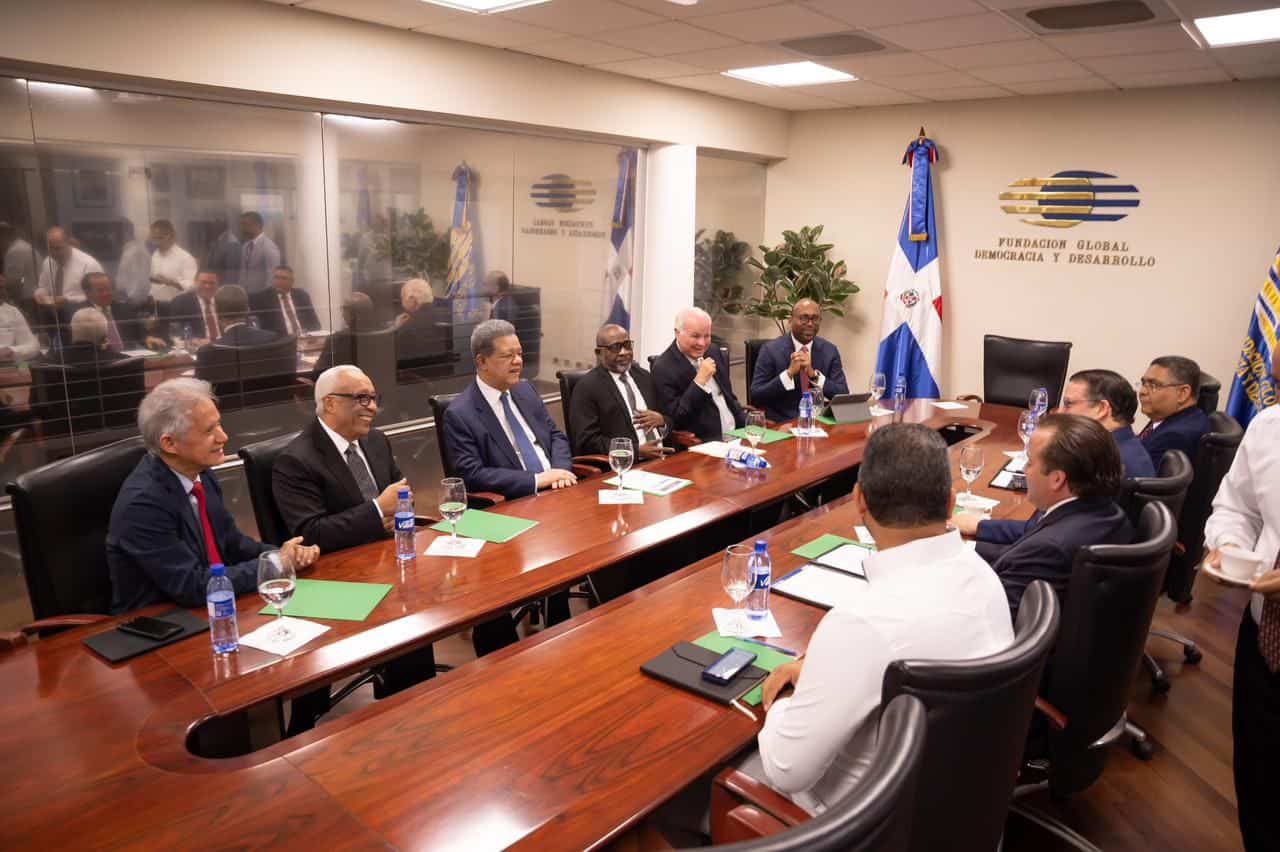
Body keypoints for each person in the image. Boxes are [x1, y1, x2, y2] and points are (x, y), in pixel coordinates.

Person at [740, 424, 1013, 816]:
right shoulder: (985, 576)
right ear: (952, 503)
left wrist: (787, 697)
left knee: (683, 796)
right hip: (960, 806)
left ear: (859, 500)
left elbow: (785, 770)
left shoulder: (861, 623)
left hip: (865, 825)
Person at [272, 365, 436, 702]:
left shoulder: (375, 440)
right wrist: (377, 511)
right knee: (404, 613)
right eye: (361, 398)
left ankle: (416, 702)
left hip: (388, 560)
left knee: (421, 609)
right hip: (336, 578)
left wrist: (391, 509)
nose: (373, 407)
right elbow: (312, 532)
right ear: (330, 404)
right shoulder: (296, 460)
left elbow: (401, 498)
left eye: (374, 398)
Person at [106, 377, 319, 614]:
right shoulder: (143, 505)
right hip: (163, 624)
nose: (223, 437)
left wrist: (281, 556)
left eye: (219, 424)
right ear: (169, 443)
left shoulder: (201, 474)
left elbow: (232, 543)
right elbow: (192, 586)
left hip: (212, 606)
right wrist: (278, 563)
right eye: (209, 430)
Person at [441, 318, 575, 655]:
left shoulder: (525, 391)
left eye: (519, 353)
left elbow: (555, 436)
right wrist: (535, 481)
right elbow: (470, 474)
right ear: (481, 362)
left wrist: (559, 471)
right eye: (507, 356)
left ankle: (572, 630)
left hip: (559, 494)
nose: (518, 361)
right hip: (508, 508)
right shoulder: (460, 413)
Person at [954, 413, 1133, 619]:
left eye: (1030, 462)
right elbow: (1028, 538)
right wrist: (967, 544)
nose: (1024, 469)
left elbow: (991, 619)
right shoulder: (1102, 510)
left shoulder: (1051, 548)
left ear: (1057, 479)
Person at [1203, 401, 1280, 851]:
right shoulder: (1269, 425)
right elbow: (1239, 507)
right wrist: (1228, 545)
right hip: (1264, 638)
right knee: (1260, 782)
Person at [568, 323, 671, 459]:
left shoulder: (644, 376)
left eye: (627, 345)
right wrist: (634, 451)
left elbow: (669, 416)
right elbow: (586, 440)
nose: (624, 352)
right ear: (599, 353)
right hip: (622, 465)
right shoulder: (586, 388)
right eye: (615, 347)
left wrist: (662, 421)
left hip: (662, 458)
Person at [651, 306, 744, 442]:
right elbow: (675, 418)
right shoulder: (663, 368)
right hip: (704, 443)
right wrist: (699, 381)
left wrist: (749, 424)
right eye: (695, 336)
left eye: (707, 336)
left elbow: (729, 398)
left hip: (739, 435)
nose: (702, 343)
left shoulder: (713, 351)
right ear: (677, 333)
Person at [749, 299, 849, 423]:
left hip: (818, 423)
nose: (810, 324)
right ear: (790, 321)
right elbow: (756, 397)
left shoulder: (829, 350)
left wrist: (814, 376)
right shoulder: (770, 350)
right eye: (804, 318)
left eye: (815, 319)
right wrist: (789, 374)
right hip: (782, 424)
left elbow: (843, 395)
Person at [1061, 368, 1156, 478]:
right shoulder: (1119, 447)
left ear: (1101, 409)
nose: (1061, 412)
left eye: (1068, 404)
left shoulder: (1106, 462)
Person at [1137, 355, 1209, 471]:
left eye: (1153, 385)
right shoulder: (1172, 416)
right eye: (1143, 383)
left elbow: (1139, 480)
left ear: (1183, 393)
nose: (1142, 391)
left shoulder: (1173, 438)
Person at [77, 272, 166, 352]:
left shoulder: (124, 308)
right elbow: (81, 347)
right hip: (100, 362)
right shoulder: (80, 315)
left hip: (129, 358)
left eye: (108, 289)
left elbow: (138, 330)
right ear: (87, 293)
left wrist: (146, 338)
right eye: (100, 291)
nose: (106, 293)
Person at [312, 292, 378, 381]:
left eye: (343, 309)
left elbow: (317, 375)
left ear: (349, 314)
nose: (342, 313)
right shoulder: (382, 335)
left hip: (344, 390)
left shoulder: (336, 340)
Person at [34, 226, 101, 307]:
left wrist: (67, 300)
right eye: (50, 248)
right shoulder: (47, 262)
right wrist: (40, 294)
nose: (53, 253)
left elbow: (98, 296)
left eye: (57, 248)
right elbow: (43, 287)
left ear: (69, 243)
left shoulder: (89, 264)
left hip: (82, 311)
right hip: (53, 313)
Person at [38, 307, 124, 366]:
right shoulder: (125, 363)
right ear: (105, 337)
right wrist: (110, 350)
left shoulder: (49, 365)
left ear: (72, 332)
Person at [250, 265, 320, 337]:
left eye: (283, 278)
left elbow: (315, 324)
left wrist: (307, 332)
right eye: (276, 277)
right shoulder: (262, 298)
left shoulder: (302, 296)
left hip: (304, 338)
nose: (279, 281)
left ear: (292, 281)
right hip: (280, 342)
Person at [394, 277, 447, 368]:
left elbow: (395, 357)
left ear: (412, 299)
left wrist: (397, 328)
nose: (402, 303)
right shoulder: (444, 314)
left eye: (402, 298)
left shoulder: (409, 327)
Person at [148, 218, 197, 306]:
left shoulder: (186, 258)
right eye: (153, 238)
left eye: (159, 238)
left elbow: (192, 287)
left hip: (177, 307)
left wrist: (170, 283)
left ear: (170, 235)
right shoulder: (154, 255)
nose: (155, 242)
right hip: (155, 305)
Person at [168, 269, 223, 344]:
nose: (207, 286)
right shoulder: (181, 302)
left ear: (217, 284)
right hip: (198, 347)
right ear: (195, 282)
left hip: (224, 346)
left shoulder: (224, 302)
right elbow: (175, 330)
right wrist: (192, 340)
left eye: (212, 283)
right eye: (203, 282)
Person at [237, 211, 282, 294]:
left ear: (257, 225)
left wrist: (266, 297)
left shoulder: (269, 247)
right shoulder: (245, 246)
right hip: (246, 296)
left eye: (245, 225)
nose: (242, 228)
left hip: (262, 297)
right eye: (241, 225)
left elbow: (272, 276)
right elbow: (243, 274)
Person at [0, 221, 40, 309]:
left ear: (3, 236)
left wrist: (3, 282)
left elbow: (13, 283)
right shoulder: (23, 246)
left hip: (28, 300)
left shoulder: (14, 252)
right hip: (35, 296)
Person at [0, 275, 39, 362]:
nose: (2, 291)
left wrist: (12, 350)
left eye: (2, 287)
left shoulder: (12, 312)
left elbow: (33, 346)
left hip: (7, 369)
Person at [115, 221, 152, 310]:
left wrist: (133, 298)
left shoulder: (138, 252)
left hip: (134, 300)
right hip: (126, 297)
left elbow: (141, 278)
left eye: (118, 232)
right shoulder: (128, 249)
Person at [203, 216, 241, 285]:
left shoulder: (232, 243)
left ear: (223, 224)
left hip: (223, 288)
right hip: (213, 284)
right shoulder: (217, 240)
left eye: (215, 222)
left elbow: (232, 274)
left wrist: (226, 291)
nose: (211, 225)